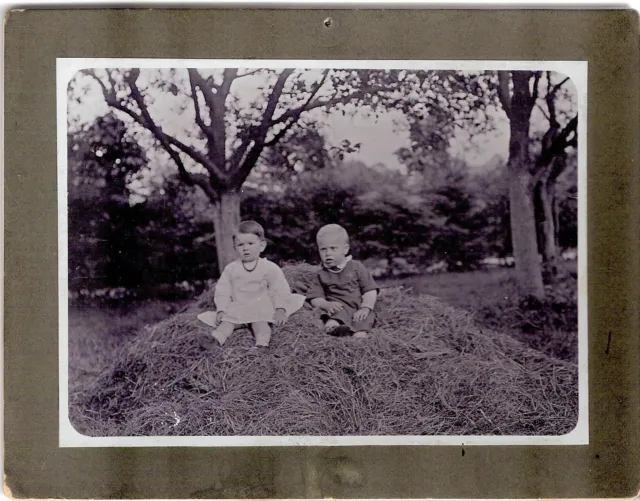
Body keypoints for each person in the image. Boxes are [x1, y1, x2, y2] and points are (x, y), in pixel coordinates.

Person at [197, 221, 305, 349]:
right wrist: (221, 309)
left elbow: (279, 288)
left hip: (260, 306)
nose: (245, 248)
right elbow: (223, 290)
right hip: (239, 307)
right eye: (240, 244)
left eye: (250, 243)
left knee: (261, 324)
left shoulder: (268, 267)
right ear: (235, 247)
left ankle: (262, 343)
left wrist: (280, 309)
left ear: (262, 245)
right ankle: (216, 340)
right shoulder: (231, 269)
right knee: (226, 324)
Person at [306, 224, 379, 338]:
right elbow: (315, 297)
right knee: (332, 317)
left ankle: (359, 335)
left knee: (365, 318)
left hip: (358, 308)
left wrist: (366, 307)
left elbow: (370, 290)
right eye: (323, 249)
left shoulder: (357, 267)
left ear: (345, 249)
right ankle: (334, 328)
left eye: (333, 248)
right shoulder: (321, 274)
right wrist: (326, 304)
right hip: (337, 309)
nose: (328, 253)